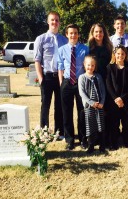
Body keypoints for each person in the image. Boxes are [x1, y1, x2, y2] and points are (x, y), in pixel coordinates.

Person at [34, 11, 68, 139]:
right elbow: (37, 59)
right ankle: (44, 132)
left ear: (59, 22)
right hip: (47, 77)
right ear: (48, 22)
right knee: (45, 105)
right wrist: (41, 78)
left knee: (59, 105)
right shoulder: (41, 39)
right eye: (52, 20)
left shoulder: (64, 40)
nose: (55, 22)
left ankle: (59, 132)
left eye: (57, 20)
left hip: (60, 77)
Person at [58, 24, 89, 150]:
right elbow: (60, 67)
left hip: (80, 82)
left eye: (75, 33)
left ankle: (83, 139)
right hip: (66, 82)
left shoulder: (85, 49)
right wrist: (61, 83)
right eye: (71, 33)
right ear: (67, 34)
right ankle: (70, 139)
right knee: (67, 112)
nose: (73, 35)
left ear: (78, 34)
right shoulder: (61, 49)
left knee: (82, 111)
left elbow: (87, 65)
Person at [87, 23, 113, 147]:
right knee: (94, 110)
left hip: (107, 81)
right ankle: (95, 137)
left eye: (101, 31)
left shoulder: (109, 47)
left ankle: (106, 137)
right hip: (94, 82)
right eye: (96, 32)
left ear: (104, 33)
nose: (99, 34)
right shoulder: (89, 48)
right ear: (93, 33)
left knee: (106, 110)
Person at [106, 45, 128, 151]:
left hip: (126, 101)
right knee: (114, 123)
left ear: (125, 55)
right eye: (118, 53)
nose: (120, 55)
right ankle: (114, 143)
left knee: (126, 123)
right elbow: (108, 85)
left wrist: (122, 99)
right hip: (113, 101)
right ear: (114, 54)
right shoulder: (109, 67)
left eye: (122, 54)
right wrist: (116, 98)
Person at [78, 55, 106, 154]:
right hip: (89, 106)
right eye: (88, 65)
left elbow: (103, 91)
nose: (90, 67)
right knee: (90, 126)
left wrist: (102, 102)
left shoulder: (98, 77)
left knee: (100, 124)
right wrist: (91, 103)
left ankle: (102, 145)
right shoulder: (82, 77)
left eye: (93, 65)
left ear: (95, 66)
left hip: (99, 106)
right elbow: (82, 93)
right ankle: (91, 145)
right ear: (84, 65)